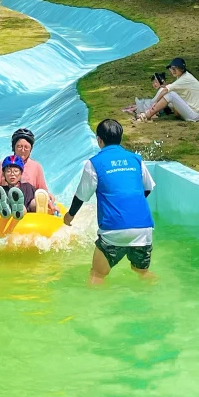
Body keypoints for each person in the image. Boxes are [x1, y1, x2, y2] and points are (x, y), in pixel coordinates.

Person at [62, 118, 155, 282]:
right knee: (141, 272)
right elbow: (147, 188)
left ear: (99, 139)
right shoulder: (135, 160)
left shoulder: (95, 163)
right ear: (121, 138)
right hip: (144, 228)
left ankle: (93, 307)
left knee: (98, 274)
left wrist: (69, 216)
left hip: (114, 231)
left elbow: (81, 196)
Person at [0, 128, 55, 211]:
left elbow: (41, 190)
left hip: (29, 201)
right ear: (14, 147)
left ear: (31, 149)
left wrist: (48, 198)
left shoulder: (36, 166)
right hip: (8, 200)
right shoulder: (4, 165)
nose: (23, 150)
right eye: (19, 147)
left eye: (26, 147)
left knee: (34, 203)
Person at [128, 58, 199, 124]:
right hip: (192, 111)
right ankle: (154, 113)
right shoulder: (183, 77)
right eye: (171, 69)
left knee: (170, 94)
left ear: (182, 69)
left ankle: (146, 116)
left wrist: (155, 102)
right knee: (169, 95)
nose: (173, 71)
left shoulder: (185, 78)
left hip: (194, 115)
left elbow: (166, 90)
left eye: (175, 69)